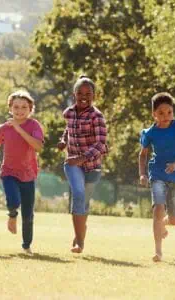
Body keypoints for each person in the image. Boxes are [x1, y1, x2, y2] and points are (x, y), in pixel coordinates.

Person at [0, 90, 44, 255]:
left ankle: (26, 246)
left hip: (28, 174)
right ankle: (12, 214)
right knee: (14, 200)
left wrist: (18, 128)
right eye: (16, 107)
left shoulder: (34, 125)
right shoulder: (3, 128)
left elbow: (38, 146)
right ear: (10, 108)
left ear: (30, 109)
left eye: (24, 107)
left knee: (28, 215)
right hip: (8, 172)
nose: (20, 110)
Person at [57, 75, 108, 254]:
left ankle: (80, 233)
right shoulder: (69, 113)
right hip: (72, 163)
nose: (84, 96)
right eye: (80, 93)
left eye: (88, 93)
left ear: (94, 95)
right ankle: (79, 242)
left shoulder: (97, 116)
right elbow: (68, 129)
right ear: (74, 94)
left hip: (93, 166)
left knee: (84, 203)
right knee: (78, 195)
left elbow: (101, 144)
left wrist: (82, 158)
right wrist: (63, 141)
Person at [138, 92, 175, 262]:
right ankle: (158, 251)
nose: (166, 116)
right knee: (158, 210)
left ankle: (164, 225)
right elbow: (143, 154)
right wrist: (143, 173)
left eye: (169, 112)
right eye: (161, 113)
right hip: (158, 173)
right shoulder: (149, 133)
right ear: (154, 114)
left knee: (174, 219)